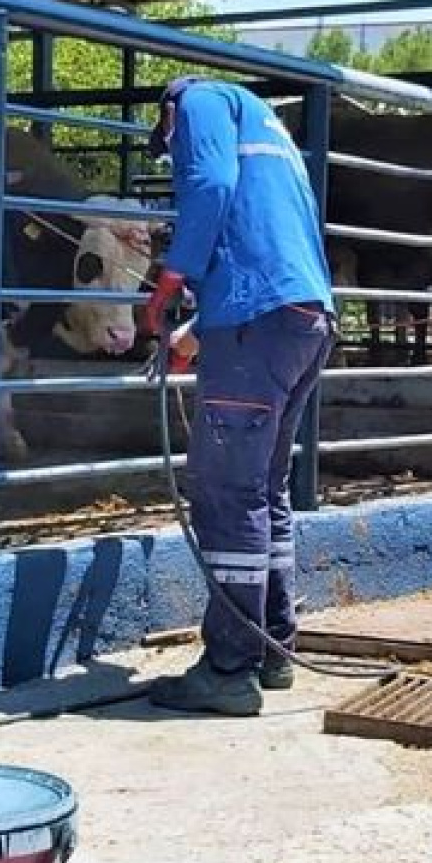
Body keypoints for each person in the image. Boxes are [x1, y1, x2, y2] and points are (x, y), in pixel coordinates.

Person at [140, 77, 336, 717]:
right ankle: (273, 646)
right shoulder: (271, 130)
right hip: (301, 322)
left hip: (257, 328)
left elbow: (211, 185)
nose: (174, 155)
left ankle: (229, 667)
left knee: (224, 493)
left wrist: (171, 282)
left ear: (167, 113)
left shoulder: (198, 102)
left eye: (168, 147)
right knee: (264, 490)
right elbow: (265, 249)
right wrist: (201, 338)